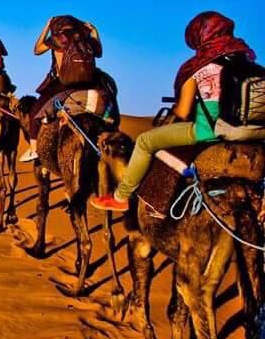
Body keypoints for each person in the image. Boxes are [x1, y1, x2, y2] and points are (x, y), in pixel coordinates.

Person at [90, 11, 256, 213]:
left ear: (199, 36)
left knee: (144, 141)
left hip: (210, 131)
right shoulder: (250, 63)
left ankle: (121, 197)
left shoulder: (198, 67)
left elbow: (183, 111)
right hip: (256, 133)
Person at [20, 16, 103, 162]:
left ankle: (34, 149)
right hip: (89, 83)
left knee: (35, 113)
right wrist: (95, 31)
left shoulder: (58, 38)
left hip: (63, 85)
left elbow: (36, 50)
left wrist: (46, 26)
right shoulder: (85, 39)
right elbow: (99, 53)